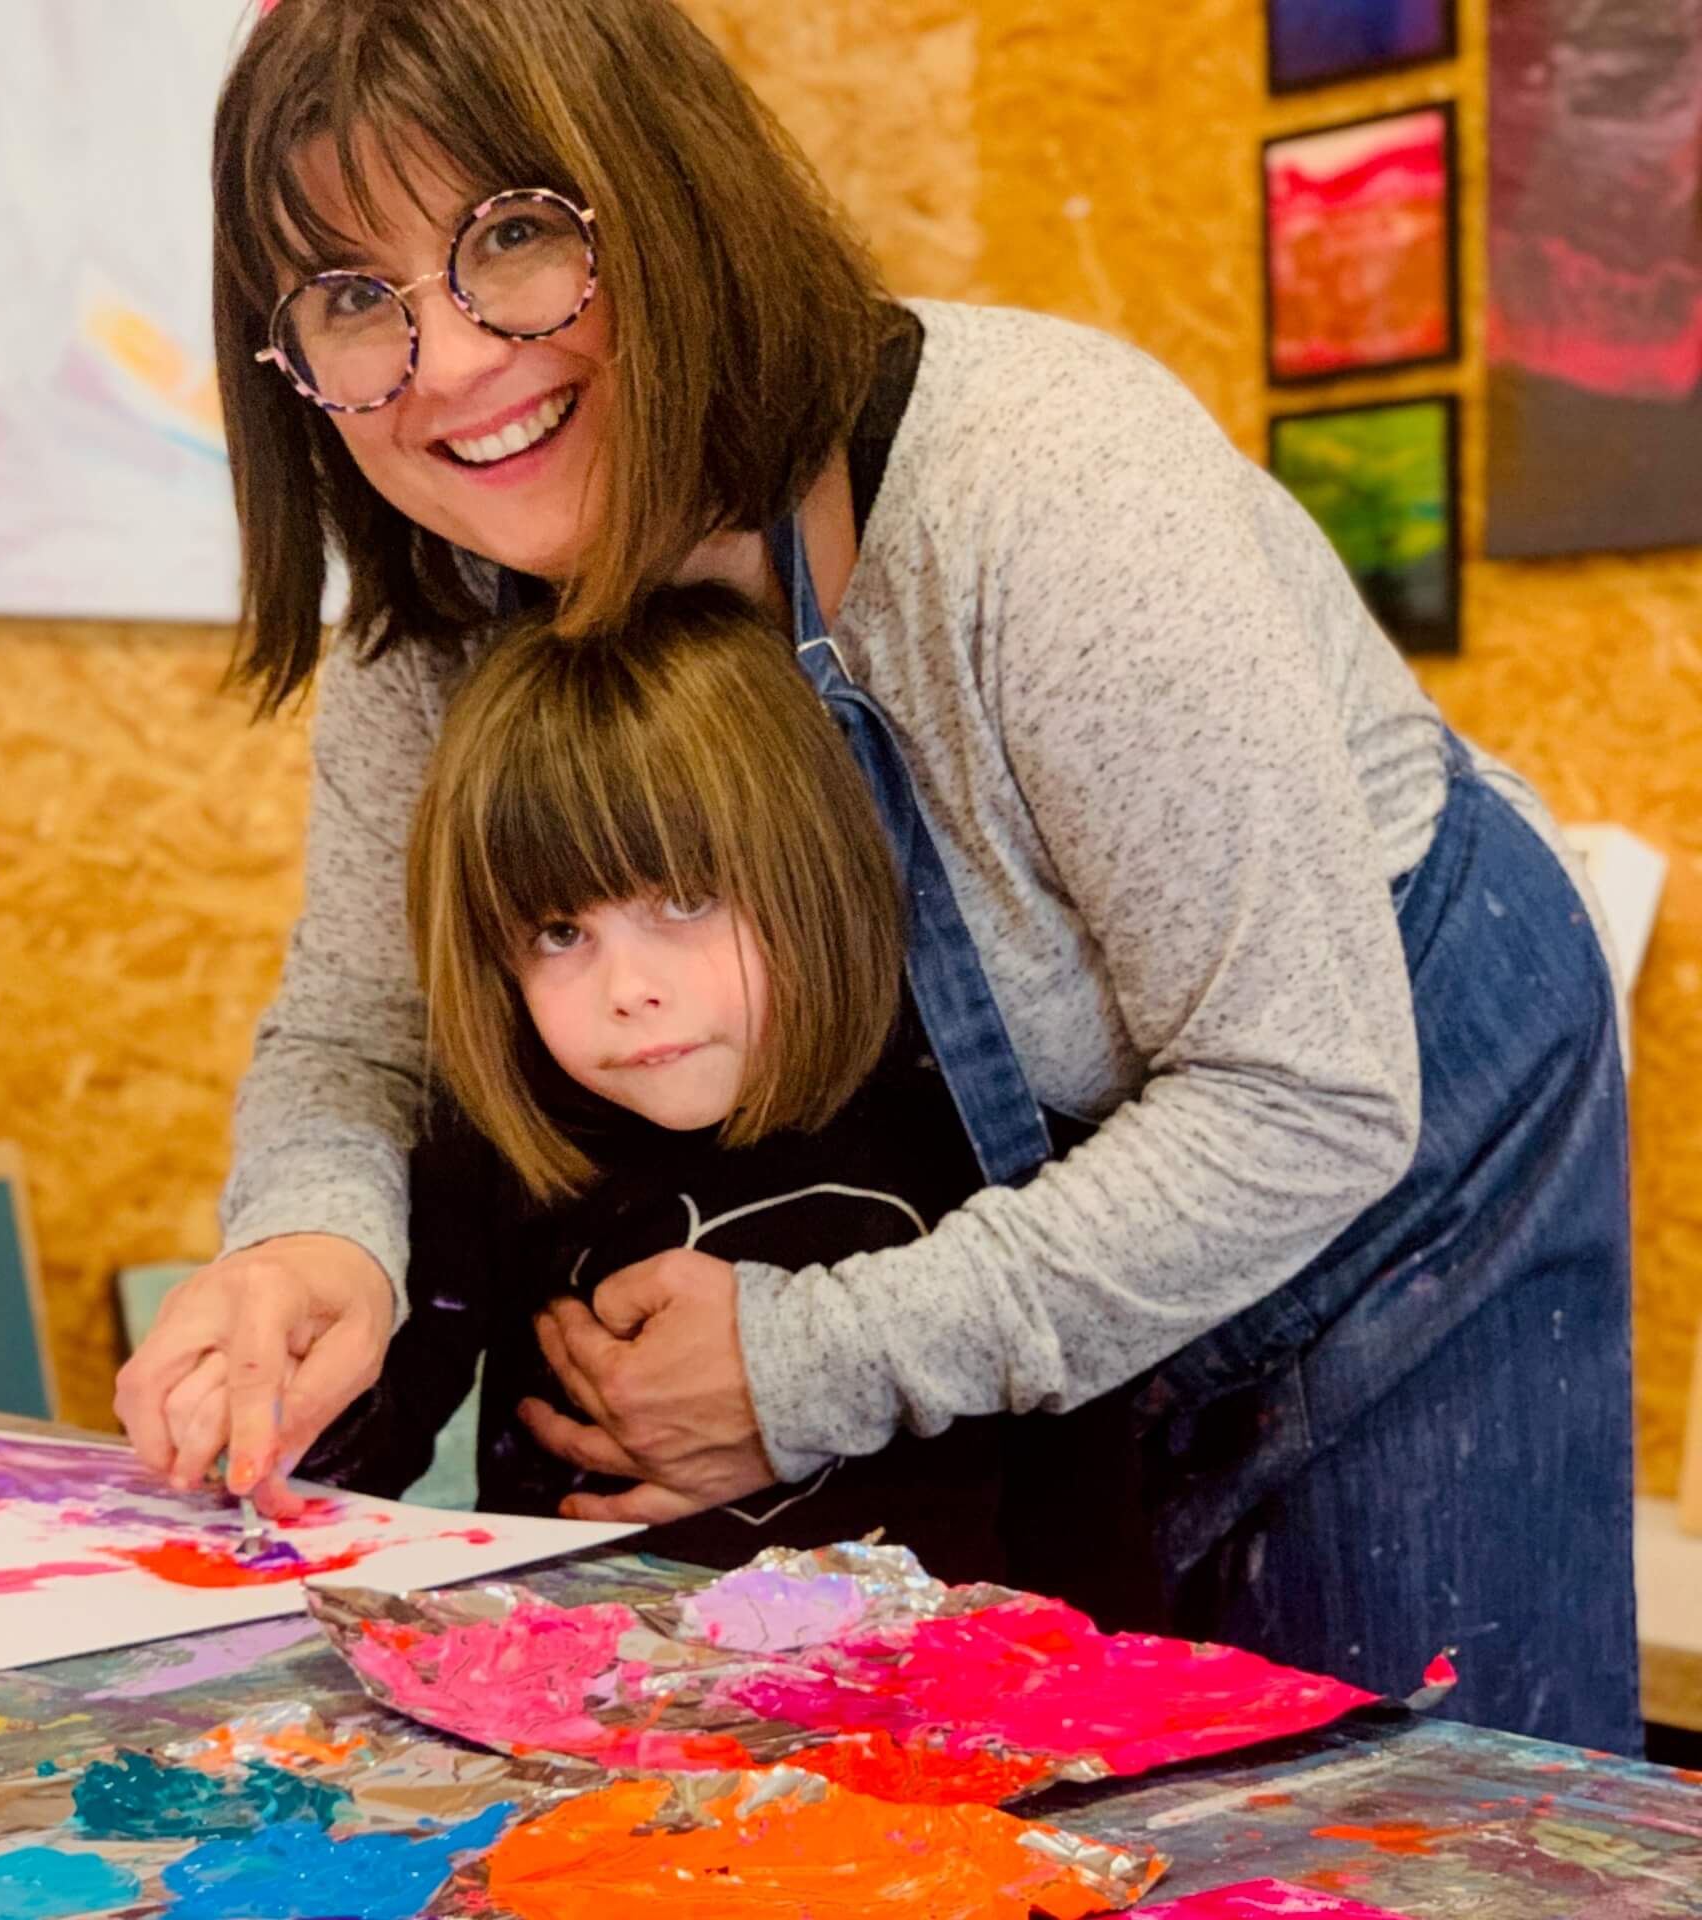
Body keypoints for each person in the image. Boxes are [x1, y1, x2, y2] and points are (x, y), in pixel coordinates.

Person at [116, 0, 1638, 1748]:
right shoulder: (437, 626)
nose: (448, 363)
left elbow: (1302, 1095)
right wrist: (314, 1237)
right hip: (1043, 1241)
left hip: (1374, 1150)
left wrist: (810, 1363)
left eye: (516, 241)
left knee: (1398, 1809)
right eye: (353, 299)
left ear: (670, 194)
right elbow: (355, 1046)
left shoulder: (1044, 491)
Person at [297, 585, 1087, 1583]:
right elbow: (345, 1467)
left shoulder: (977, 1129)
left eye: (685, 899)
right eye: (560, 933)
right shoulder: (489, 1157)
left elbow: (1087, 1520)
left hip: (946, 1721)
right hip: (587, 1713)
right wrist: (269, 1390)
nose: (629, 992)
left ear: (817, 872)